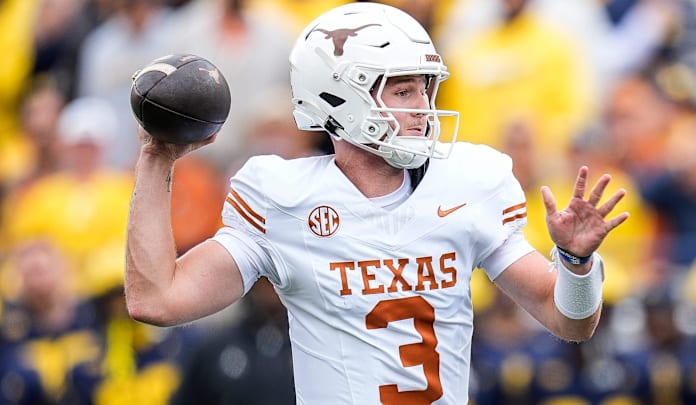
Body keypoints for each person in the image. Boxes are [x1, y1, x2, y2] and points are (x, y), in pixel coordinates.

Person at [124, 3, 629, 404]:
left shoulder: (469, 181)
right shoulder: (282, 194)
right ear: (339, 98)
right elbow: (157, 300)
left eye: (425, 88)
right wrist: (156, 158)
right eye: (404, 90)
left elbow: (570, 322)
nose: (423, 108)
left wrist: (577, 263)